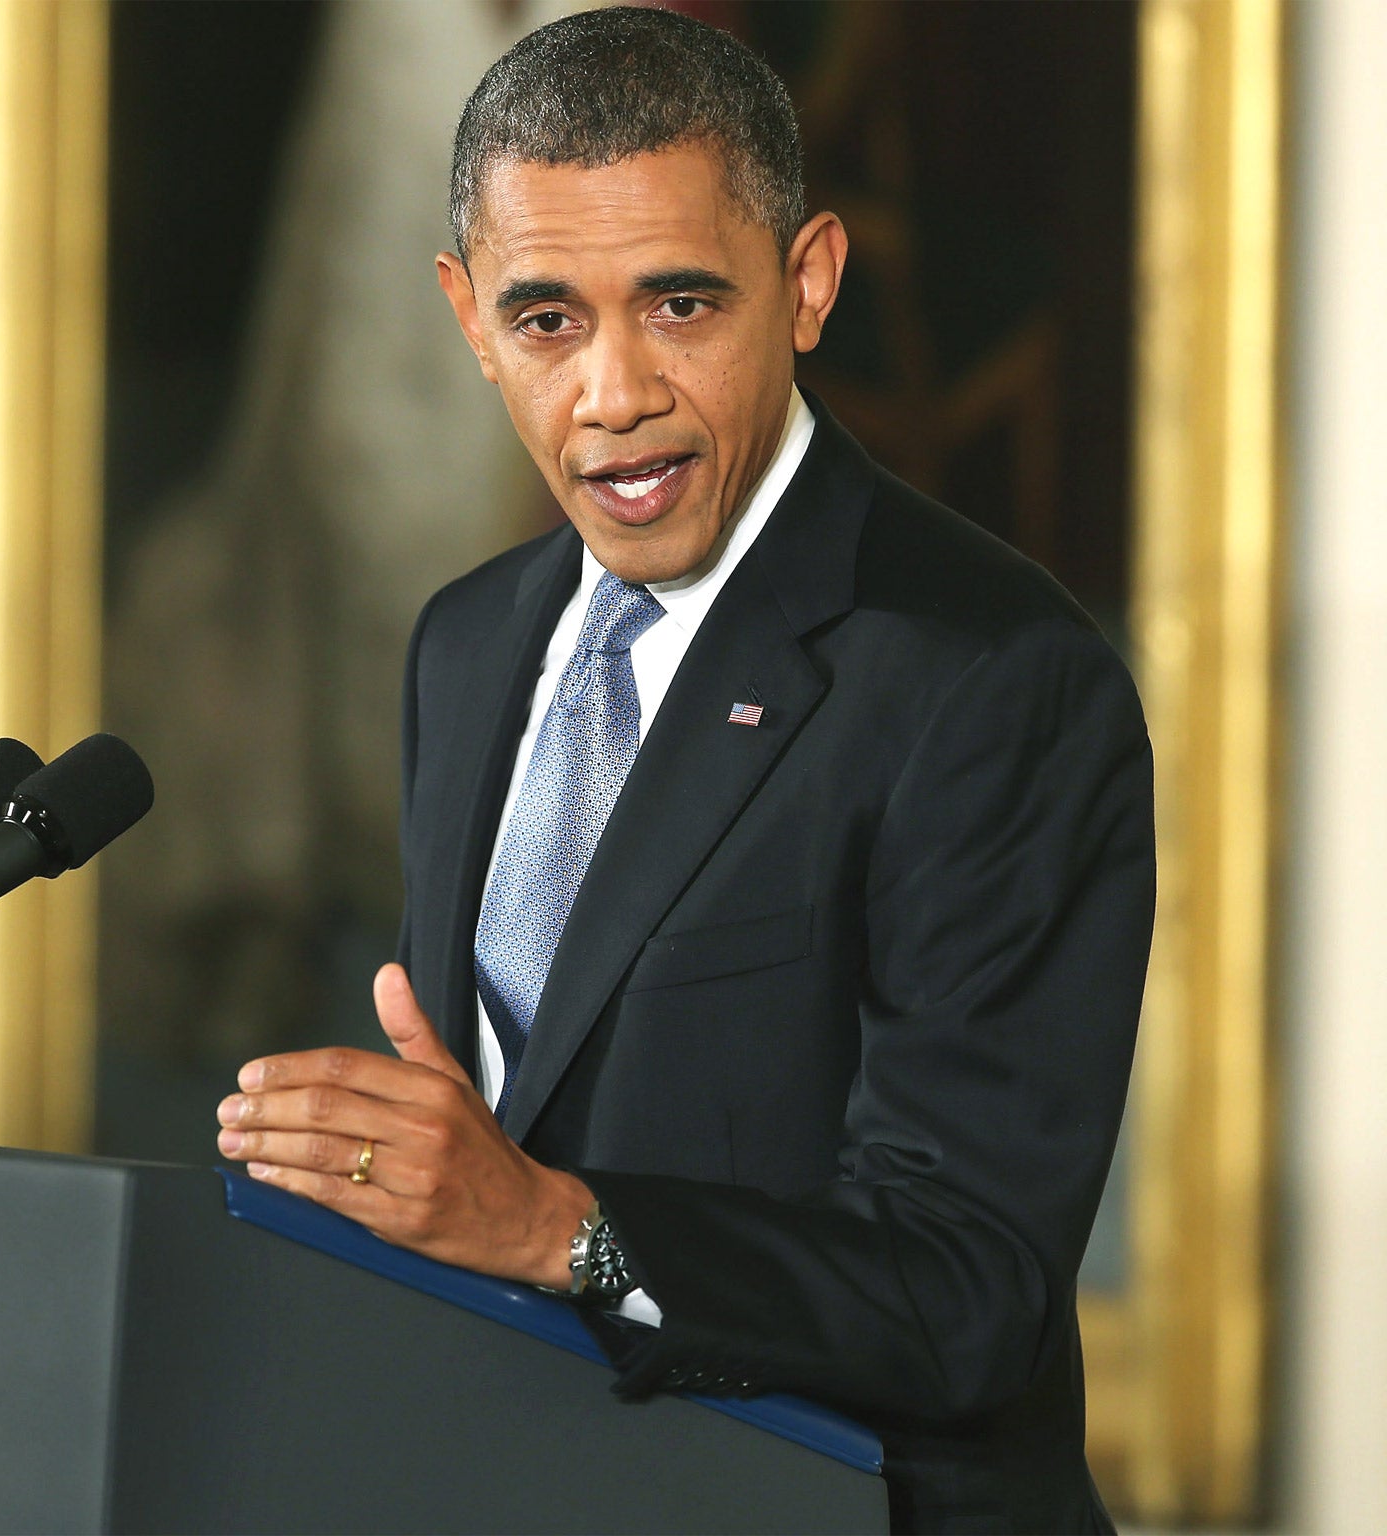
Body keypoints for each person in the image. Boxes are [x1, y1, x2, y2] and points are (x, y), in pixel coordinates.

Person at [214, 10, 1152, 1532]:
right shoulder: (465, 647)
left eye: (681, 303)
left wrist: (560, 1229)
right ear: (465, 315)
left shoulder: (992, 678)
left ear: (808, 284)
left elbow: (969, 1290)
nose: (613, 392)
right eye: (546, 320)